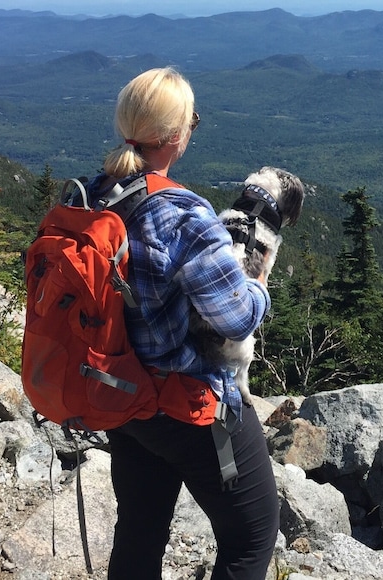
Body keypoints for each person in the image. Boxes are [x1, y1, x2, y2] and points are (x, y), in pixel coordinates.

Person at [92, 67, 279, 580]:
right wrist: (258, 282)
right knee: (253, 537)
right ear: (177, 134)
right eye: (192, 121)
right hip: (182, 402)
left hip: (117, 392)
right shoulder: (182, 215)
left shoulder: (90, 196)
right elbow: (237, 317)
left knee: (140, 531)